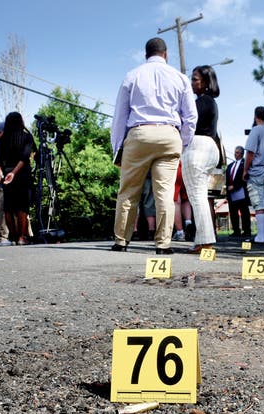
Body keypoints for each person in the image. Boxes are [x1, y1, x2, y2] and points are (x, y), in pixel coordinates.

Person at [110, 37, 197, 254]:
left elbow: (120, 116)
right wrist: (182, 143)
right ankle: (163, 244)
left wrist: (117, 148)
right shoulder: (180, 77)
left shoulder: (132, 76)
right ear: (165, 54)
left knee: (129, 190)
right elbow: (191, 116)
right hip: (169, 135)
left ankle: (121, 241)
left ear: (145, 54)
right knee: (165, 193)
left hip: (139, 134)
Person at [182, 65, 220, 254]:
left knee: (197, 197)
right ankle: (201, 239)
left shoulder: (201, 102)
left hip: (198, 146)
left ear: (205, 82)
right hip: (210, 148)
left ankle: (205, 242)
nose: (192, 83)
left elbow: (187, 124)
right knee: (201, 197)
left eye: (195, 79)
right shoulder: (210, 102)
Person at [0, 112, 36, 246]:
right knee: (22, 207)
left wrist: (2, 176)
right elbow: (25, 157)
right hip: (22, 174)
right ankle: (21, 237)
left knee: (9, 207)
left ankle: (13, 238)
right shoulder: (26, 137)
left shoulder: (3, 139)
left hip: (6, 174)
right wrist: (14, 173)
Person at [243, 106, 264, 243]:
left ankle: (260, 236)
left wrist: (245, 170)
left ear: (255, 116)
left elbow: (250, 152)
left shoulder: (255, 131)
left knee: (258, 203)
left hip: (257, 170)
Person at [225, 146, 251, 240]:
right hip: (230, 192)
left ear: (242, 153)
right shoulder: (230, 165)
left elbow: (244, 177)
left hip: (241, 191)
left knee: (244, 211)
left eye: (238, 153)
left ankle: (247, 230)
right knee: (233, 212)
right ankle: (236, 230)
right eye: (235, 152)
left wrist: (235, 186)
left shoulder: (245, 164)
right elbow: (227, 178)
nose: (236, 154)